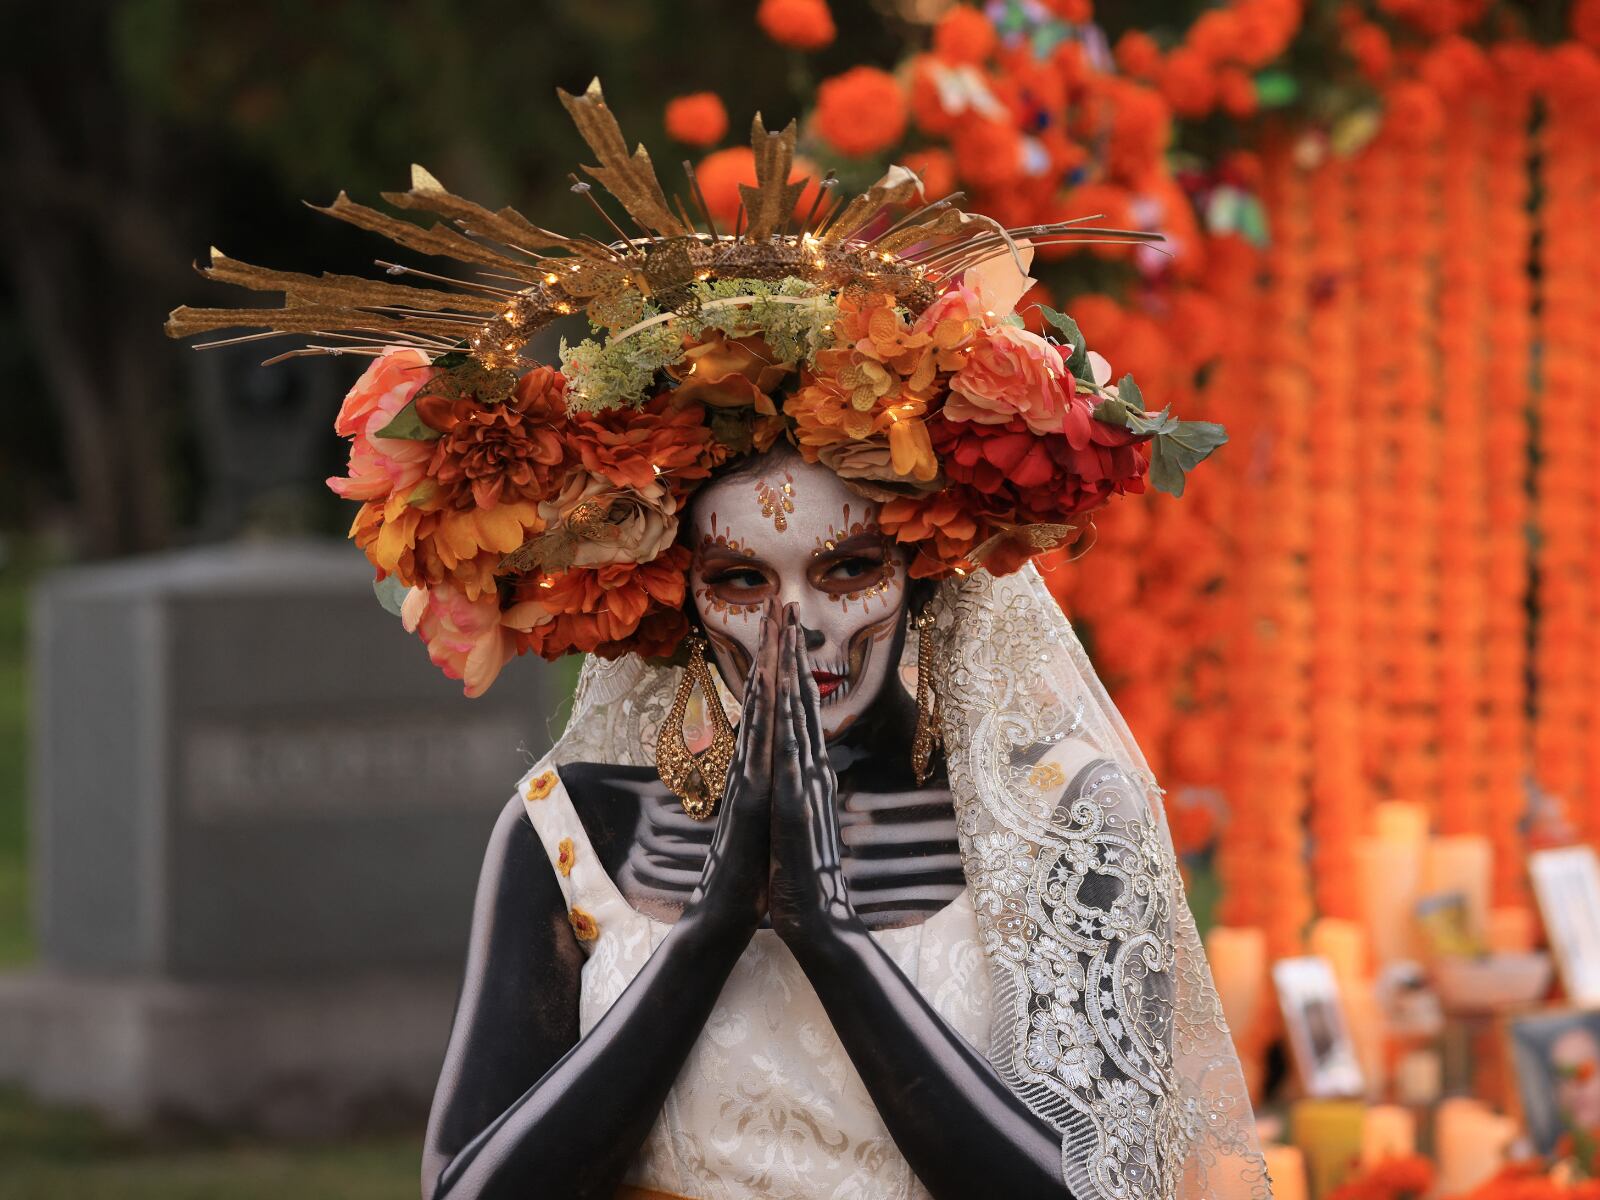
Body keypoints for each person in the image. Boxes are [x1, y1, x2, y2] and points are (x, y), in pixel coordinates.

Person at [167, 81, 1269, 1200]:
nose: (799, 627)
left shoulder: (1062, 819)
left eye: (846, 568)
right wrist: (703, 938)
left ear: (924, 578)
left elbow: (1108, 1189)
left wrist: (829, 940)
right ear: (676, 595)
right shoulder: (578, 829)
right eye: (741, 580)